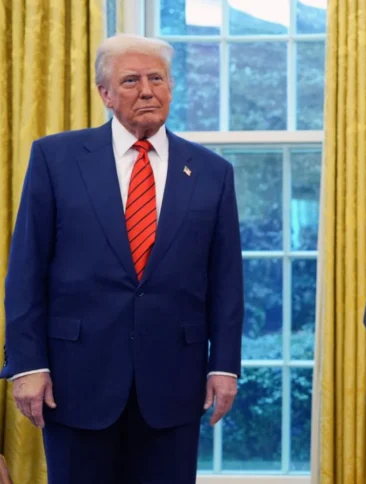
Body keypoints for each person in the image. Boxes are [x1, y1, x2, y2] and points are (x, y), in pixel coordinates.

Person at [0, 33, 244, 483]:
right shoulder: (56, 158)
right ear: (105, 94)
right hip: (74, 382)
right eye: (131, 80)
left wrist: (225, 365)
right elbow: (26, 271)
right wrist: (28, 365)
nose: (147, 90)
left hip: (174, 382)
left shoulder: (213, 172)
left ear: (171, 87)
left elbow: (226, 282)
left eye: (157, 79)